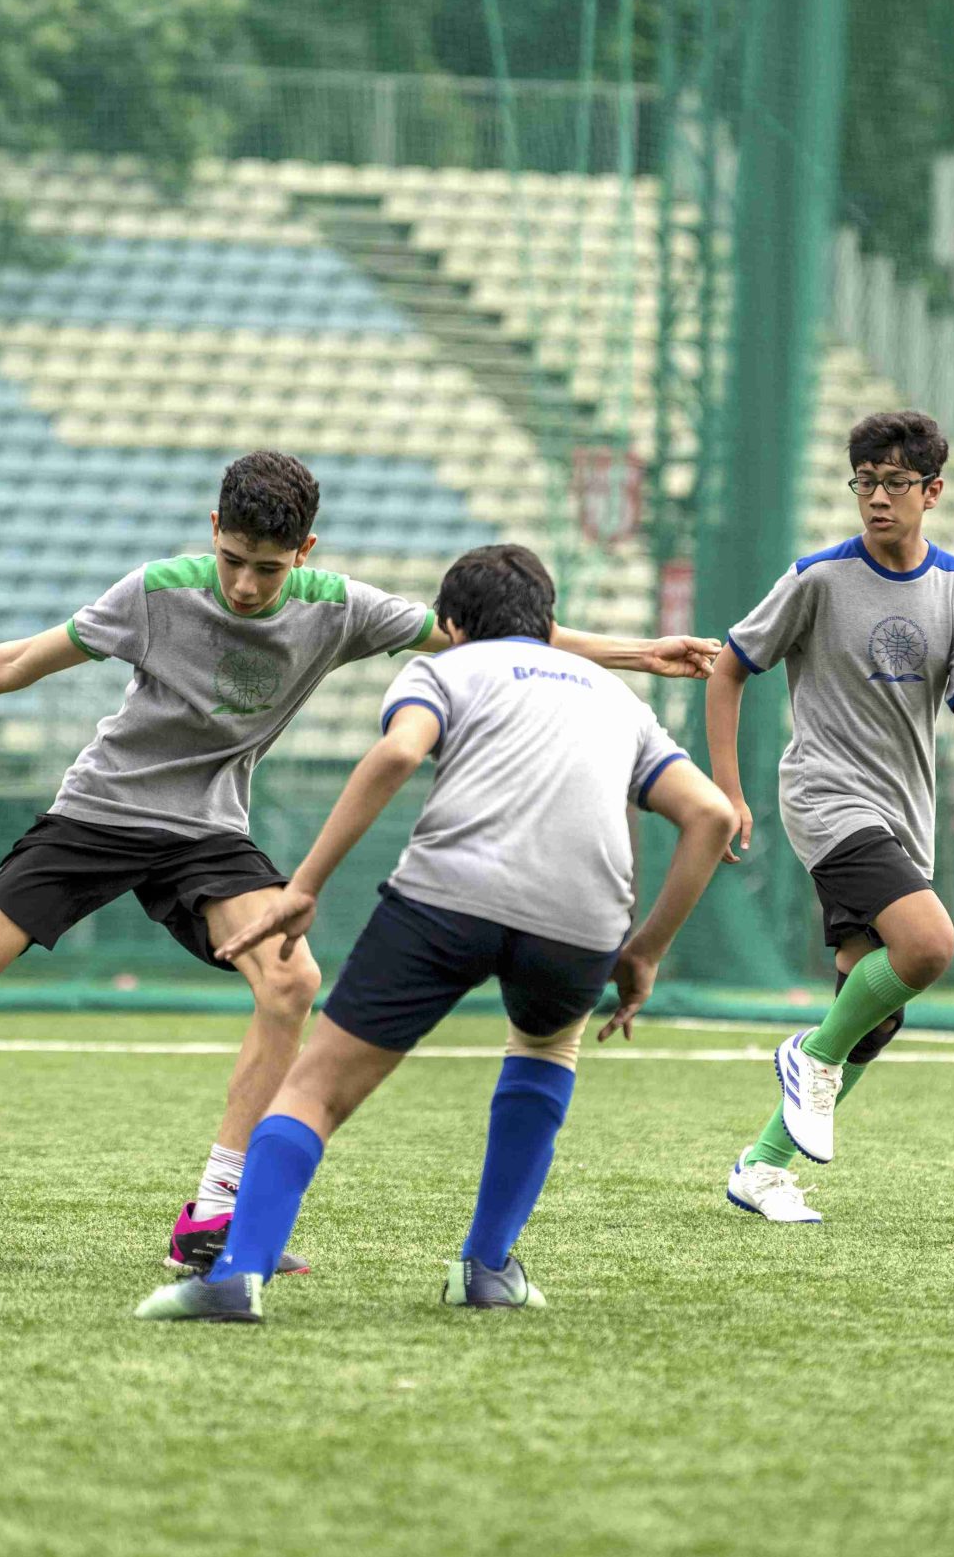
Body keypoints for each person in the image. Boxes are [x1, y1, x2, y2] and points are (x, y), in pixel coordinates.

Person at [0, 452, 722, 1273]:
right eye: (232, 557)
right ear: (213, 535)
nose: (242, 584)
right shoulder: (156, 592)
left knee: (292, 977)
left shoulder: (341, 606)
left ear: (303, 552)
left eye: (265, 568)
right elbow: (17, 660)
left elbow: (498, 635)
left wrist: (641, 652)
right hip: (98, 813)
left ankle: (214, 1211)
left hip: (205, 837)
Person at [134, 543, 738, 1322]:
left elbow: (398, 750)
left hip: (449, 896)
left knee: (315, 1088)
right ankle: (486, 1269)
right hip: (583, 918)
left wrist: (305, 884)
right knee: (546, 1050)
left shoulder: (441, 670)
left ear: (452, 626)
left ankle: (236, 1277)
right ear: (549, 623)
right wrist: (646, 948)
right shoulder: (616, 696)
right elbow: (712, 815)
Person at [708, 411, 954, 1225]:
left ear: (933, 491)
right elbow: (727, 668)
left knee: (876, 1010)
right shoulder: (817, 578)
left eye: (895, 482)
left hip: (903, 814)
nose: (877, 496)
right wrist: (727, 792)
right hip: (826, 796)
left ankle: (761, 1166)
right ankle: (808, 1057)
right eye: (865, 480)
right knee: (928, 944)